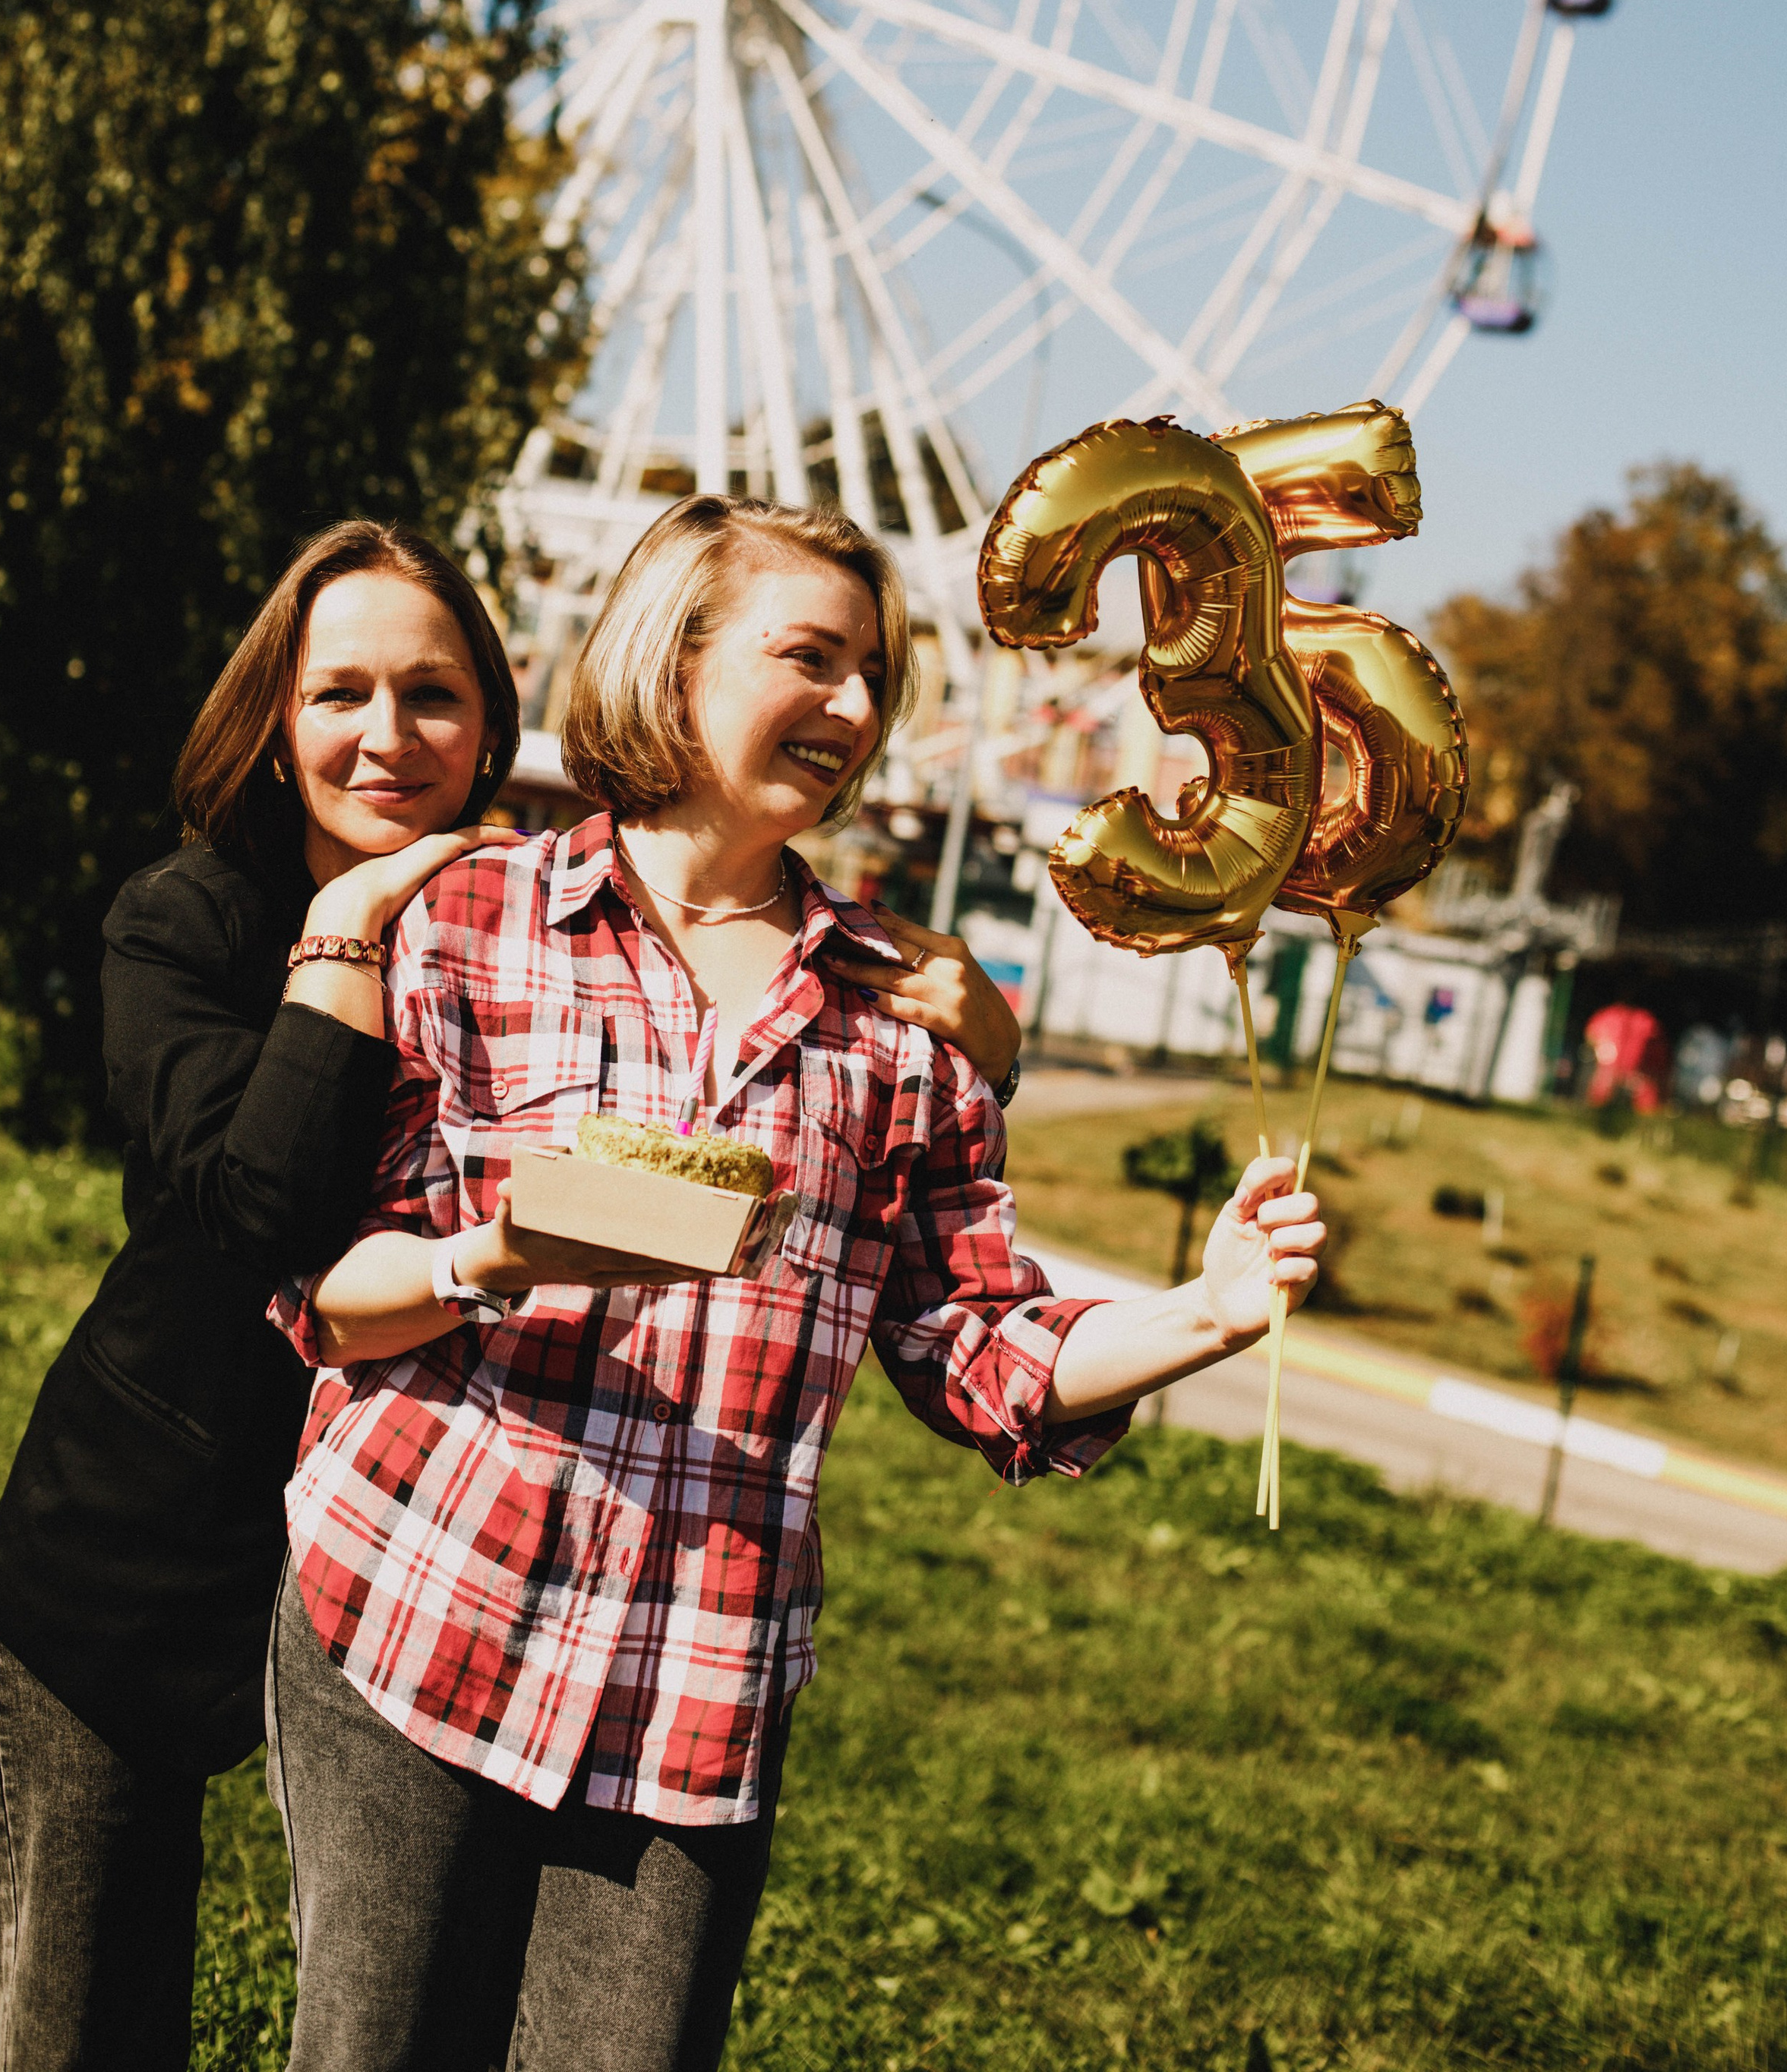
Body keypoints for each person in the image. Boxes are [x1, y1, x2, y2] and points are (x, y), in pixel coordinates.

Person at [264, 495, 1322, 2072]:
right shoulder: (470, 926)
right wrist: (503, 1259)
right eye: (809, 658)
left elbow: (975, 1349)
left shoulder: (902, 1026)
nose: (853, 705)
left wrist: (1206, 1314)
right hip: (418, 1601)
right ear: (671, 660)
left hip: (691, 1687)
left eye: (874, 675)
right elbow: (320, 1297)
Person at [0, 514, 1018, 2072]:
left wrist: (988, 1054)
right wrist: (347, 938)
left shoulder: (514, 920)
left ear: (494, 721)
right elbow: (263, 1214)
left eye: (434, 697)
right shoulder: (197, 918)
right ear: (272, 715)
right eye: (338, 695)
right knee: (78, 2017)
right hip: (154, 1530)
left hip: (440, 1559)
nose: (387, 736)